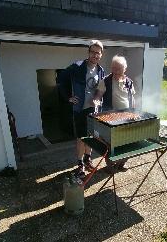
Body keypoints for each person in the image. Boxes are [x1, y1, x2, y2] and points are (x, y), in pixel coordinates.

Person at [58, 40, 105, 179]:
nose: (95, 55)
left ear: (101, 54)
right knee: (81, 138)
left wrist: (98, 97)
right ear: (88, 52)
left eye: (98, 53)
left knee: (90, 136)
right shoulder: (77, 66)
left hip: (93, 110)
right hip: (80, 109)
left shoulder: (101, 70)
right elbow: (60, 80)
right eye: (93, 52)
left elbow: (100, 89)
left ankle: (87, 158)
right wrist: (68, 97)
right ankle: (80, 164)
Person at [93, 55, 135, 170]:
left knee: (128, 141)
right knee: (110, 143)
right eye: (114, 68)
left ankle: (122, 163)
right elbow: (98, 95)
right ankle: (110, 166)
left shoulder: (129, 82)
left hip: (127, 117)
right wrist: (96, 101)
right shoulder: (105, 81)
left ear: (124, 69)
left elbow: (132, 98)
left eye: (119, 69)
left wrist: (134, 112)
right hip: (111, 118)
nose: (116, 71)